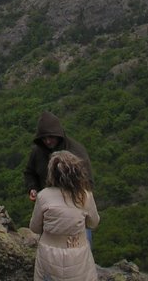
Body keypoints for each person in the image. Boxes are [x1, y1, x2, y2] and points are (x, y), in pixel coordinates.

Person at [29, 150, 100, 281]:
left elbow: (35, 228)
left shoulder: (43, 196)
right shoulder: (85, 196)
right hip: (77, 253)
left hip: (49, 254)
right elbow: (93, 223)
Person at [24, 111, 94, 202]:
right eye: (44, 138)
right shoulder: (37, 152)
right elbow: (30, 172)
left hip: (74, 205)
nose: (47, 141)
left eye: (50, 137)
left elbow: (88, 182)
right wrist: (32, 188)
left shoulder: (77, 153)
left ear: (58, 134)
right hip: (46, 205)